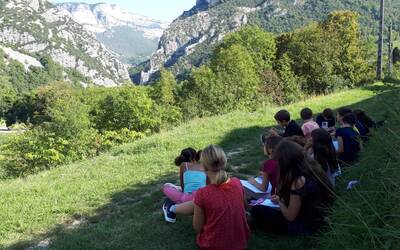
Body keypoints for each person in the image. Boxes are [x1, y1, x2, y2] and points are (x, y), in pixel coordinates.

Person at [163, 145, 250, 250]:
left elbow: (198, 228)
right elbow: (245, 206)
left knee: (197, 202)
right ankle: (172, 208)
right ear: (224, 161)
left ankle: (172, 208)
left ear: (203, 167)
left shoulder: (203, 193)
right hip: (241, 242)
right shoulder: (237, 182)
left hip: (212, 245)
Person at [250, 141, 334, 235]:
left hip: (308, 226)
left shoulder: (298, 181)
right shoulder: (313, 169)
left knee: (257, 210)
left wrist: (280, 202)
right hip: (322, 218)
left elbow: (290, 216)